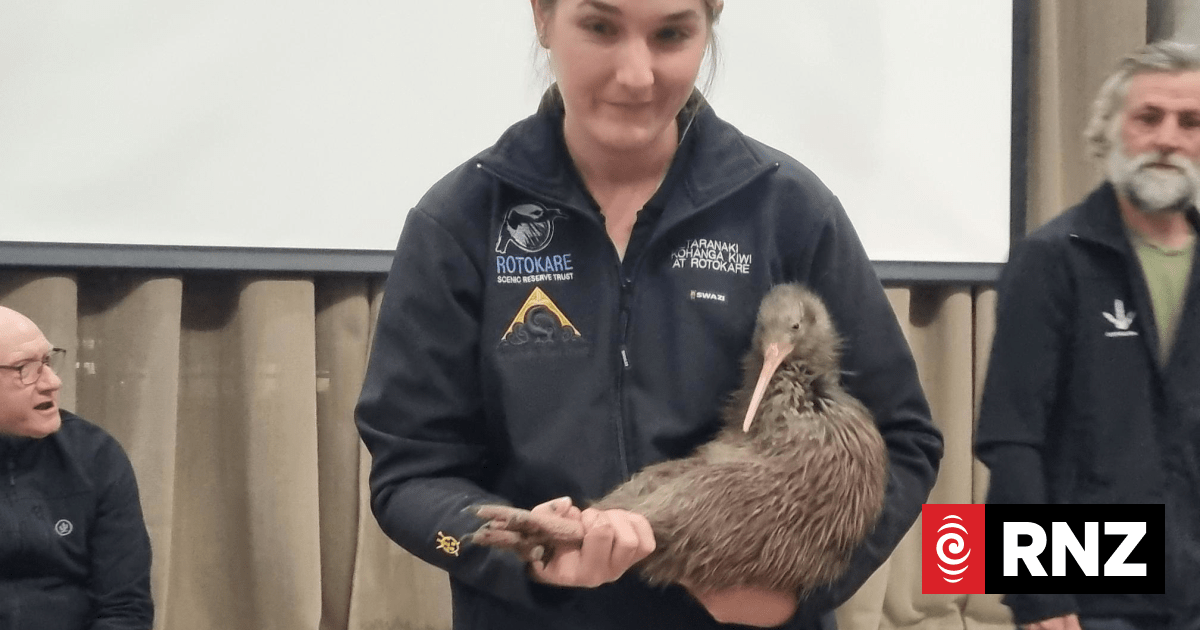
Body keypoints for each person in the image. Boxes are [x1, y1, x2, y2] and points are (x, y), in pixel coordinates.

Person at [355, 1, 943, 628]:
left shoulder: (789, 211)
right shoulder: (459, 222)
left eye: (671, 34)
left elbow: (903, 441)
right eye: (601, 27)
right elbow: (409, 482)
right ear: (543, 18)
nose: (636, 75)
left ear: (707, 30)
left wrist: (798, 592)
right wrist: (518, 555)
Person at [976, 41, 1200, 630]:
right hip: (1098, 593)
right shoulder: (1053, 259)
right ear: (1111, 131)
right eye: (1148, 118)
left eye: (1191, 122)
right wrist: (1040, 599)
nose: (1168, 139)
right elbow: (1012, 441)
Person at [0, 306, 154, 630]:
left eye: (47, 361)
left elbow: (125, 607)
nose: (52, 382)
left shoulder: (94, 455)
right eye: (24, 369)